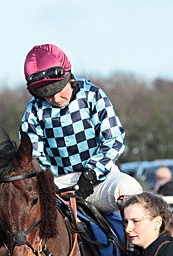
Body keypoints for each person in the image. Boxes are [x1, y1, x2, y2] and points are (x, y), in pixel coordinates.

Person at [20, 43, 142, 213]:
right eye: (47, 95)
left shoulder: (92, 94)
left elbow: (113, 139)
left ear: (68, 77)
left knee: (130, 189)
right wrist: (49, 183)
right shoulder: (34, 110)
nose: (56, 98)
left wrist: (90, 174)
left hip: (100, 179)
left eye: (59, 90)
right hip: (57, 184)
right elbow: (33, 154)